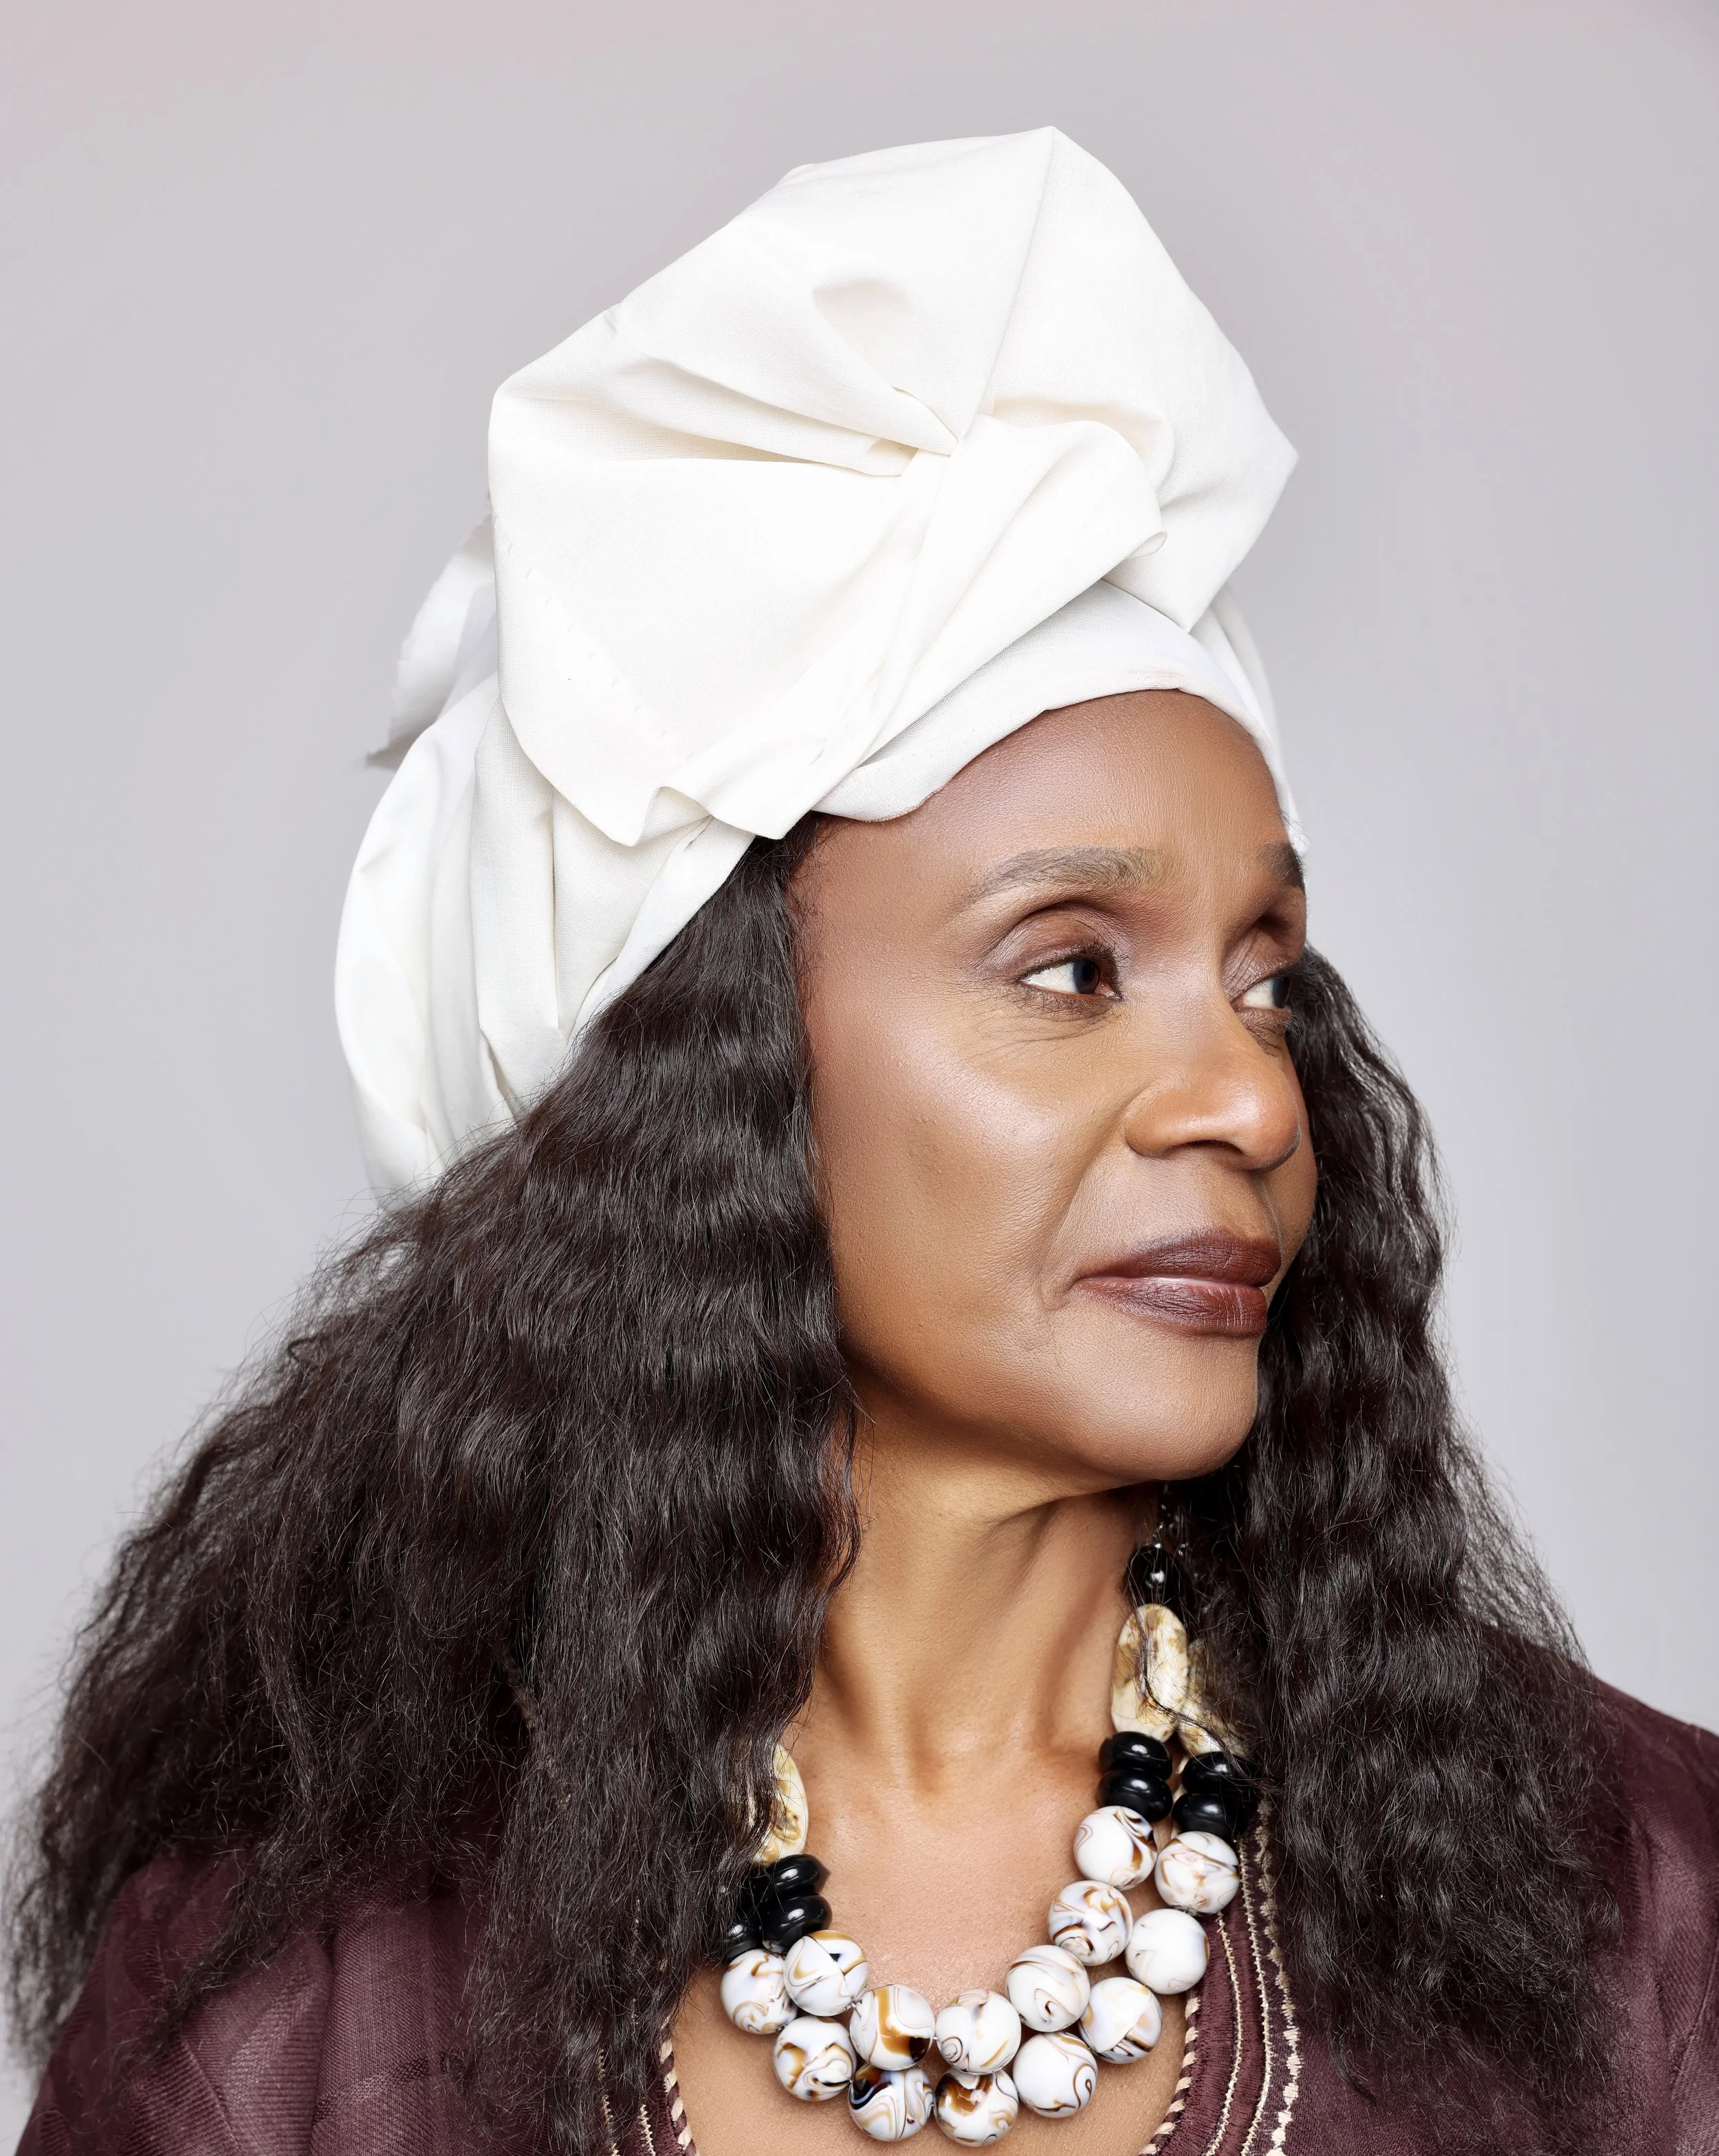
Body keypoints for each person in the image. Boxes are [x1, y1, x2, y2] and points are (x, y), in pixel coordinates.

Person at [6, 129, 1716, 2156]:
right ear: (710, 1089)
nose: (1257, 1102)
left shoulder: (1643, 1915)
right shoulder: (285, 2018)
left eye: (1266, 977)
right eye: (1070, 970)